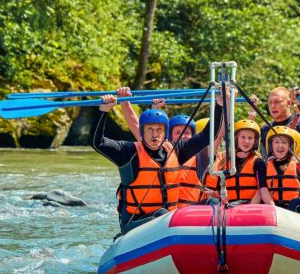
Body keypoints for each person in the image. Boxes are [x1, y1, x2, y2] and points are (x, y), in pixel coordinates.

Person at [91, 91, 225, 235]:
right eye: (150, 129)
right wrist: (103, 112)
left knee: (209, 205)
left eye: (159, 130)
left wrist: (219, 105)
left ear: (165, 132)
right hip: (135, 223)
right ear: (142, 131)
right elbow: (96, 142)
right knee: (162, 214)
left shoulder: (176, 150)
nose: (155, 134)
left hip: (168, 222)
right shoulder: (128, 152)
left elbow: (207, 136)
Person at [204, 119, 272, 205]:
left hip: (250, 207)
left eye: (250, 138)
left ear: (255, 141)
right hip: (230, 208)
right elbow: (222, 191)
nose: (246, 141)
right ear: (236, 139)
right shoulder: (225, 162)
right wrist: (214, 194)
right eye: (243, 137)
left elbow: (261, 189)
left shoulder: (258, 162)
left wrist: (249, 209)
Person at [259, 87, 300, 169]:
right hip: (274, 178)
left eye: (277, 102)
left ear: (289, 103)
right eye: (270, 103)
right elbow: (265, 159)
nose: (272, 106)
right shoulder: (265, 129)